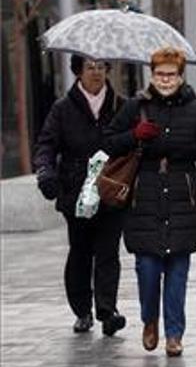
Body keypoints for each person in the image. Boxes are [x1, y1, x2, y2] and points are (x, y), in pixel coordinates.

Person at [104, 47, 196, 357]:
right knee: (147, 268)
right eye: (160, 74)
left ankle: (174, 334)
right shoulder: (135, 107)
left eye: (171, 74)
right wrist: (134, 135)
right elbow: (109, 142)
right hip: (144, 196)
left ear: (180, 76)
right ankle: (150, 320)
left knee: (178, 269)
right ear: (152, 75)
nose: (165, 80)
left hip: (184, 195)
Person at [33, 55, 128, 336]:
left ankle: (107, 311)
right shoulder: (62, 108)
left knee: (109, 252)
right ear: (78, 71)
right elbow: (46, 145)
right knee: (81, 252)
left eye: (101, 67)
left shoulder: (120, 105)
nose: (96, 72)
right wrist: (46, 173)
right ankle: (82, 310)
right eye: (90, 67)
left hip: (111, 188)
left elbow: (132, 142)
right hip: (76, 191)